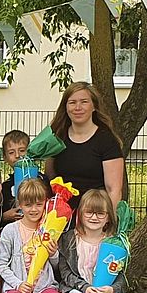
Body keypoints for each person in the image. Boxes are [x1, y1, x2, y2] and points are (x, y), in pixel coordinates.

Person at [46, 81, 124, 211]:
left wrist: (107, 218)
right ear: (66, 107)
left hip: (94, 213)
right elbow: (50, 177)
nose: (78, 107)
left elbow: (113, 190)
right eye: (72, 102)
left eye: (84, 102)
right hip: (61, 213)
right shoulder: (58, 138)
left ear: (94, 106)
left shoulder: (106, 141)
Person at [0, 130, 30, 227]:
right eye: (11, 152)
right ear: (5, 157)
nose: (17, 155)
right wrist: (4, 217)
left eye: (22, 151)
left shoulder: (41, 180)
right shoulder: (5, 187)